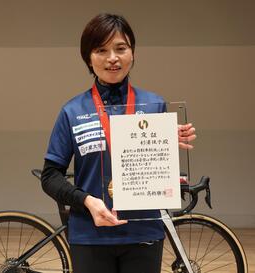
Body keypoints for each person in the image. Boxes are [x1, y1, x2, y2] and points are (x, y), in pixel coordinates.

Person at [41, 13, 196, 273]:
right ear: (88, 58)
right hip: (89, 233)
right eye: (101, 50)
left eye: (120, 48)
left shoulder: (154, 105)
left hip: (144, 232)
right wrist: (87, 201)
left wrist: (167, 144)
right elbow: (50, 176)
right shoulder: (72, 111)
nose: (112, 57)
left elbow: (154, 170)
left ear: (132, 53)